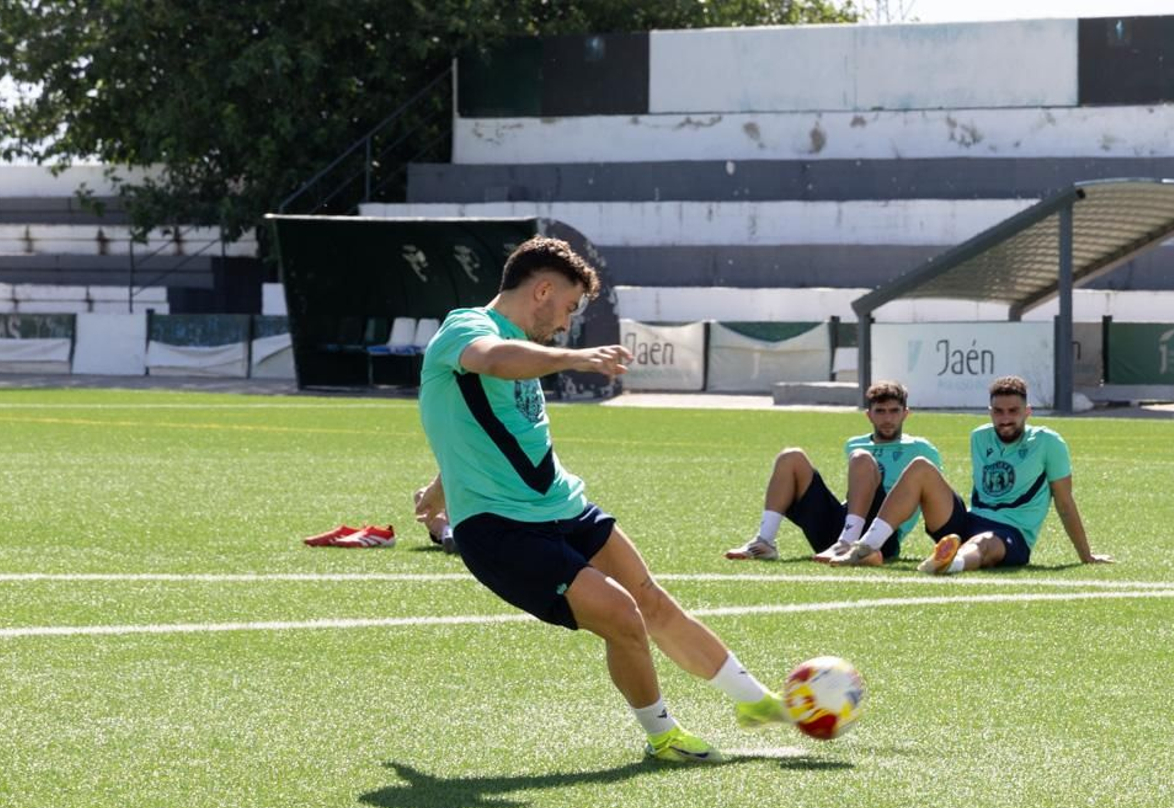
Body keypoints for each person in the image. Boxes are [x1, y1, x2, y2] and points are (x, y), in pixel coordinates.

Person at [418, 236, 788, 764]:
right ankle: (663, 737)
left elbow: (483, 422)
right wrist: (577, 358)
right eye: (569, 307)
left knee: (652, 601)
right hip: (503, 530)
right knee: (622, 616)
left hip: (564, 507)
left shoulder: (526, 348)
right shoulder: (469, 328)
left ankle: (757, 702)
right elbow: (493, 361)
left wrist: (440, 484)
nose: (567, 323)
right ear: (542, 290)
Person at [833, 375, 1113, 572]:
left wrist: (1086, 555)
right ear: (990, 411)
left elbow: (1064, 502)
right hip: (968, 521)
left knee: (984, 543)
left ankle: (949, 564)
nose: (1005, 418)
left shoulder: (1048, 442)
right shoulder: (980, 437)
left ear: (1027, 411)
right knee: (920, 466)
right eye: (998, 411)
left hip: (1011, 533)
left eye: (1013, 411)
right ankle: (865, 548)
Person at [724, 380, 942, 566]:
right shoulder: (854, 444)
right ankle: (764, 542)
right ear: (869, 415)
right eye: (880, 411)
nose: (887, 419)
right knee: (790, 457)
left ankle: (848, 543)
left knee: (861, 458)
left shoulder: (922, 449)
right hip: (842, 525)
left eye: (894, 411)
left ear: (906, 414)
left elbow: (932, 493)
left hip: (882, 536)